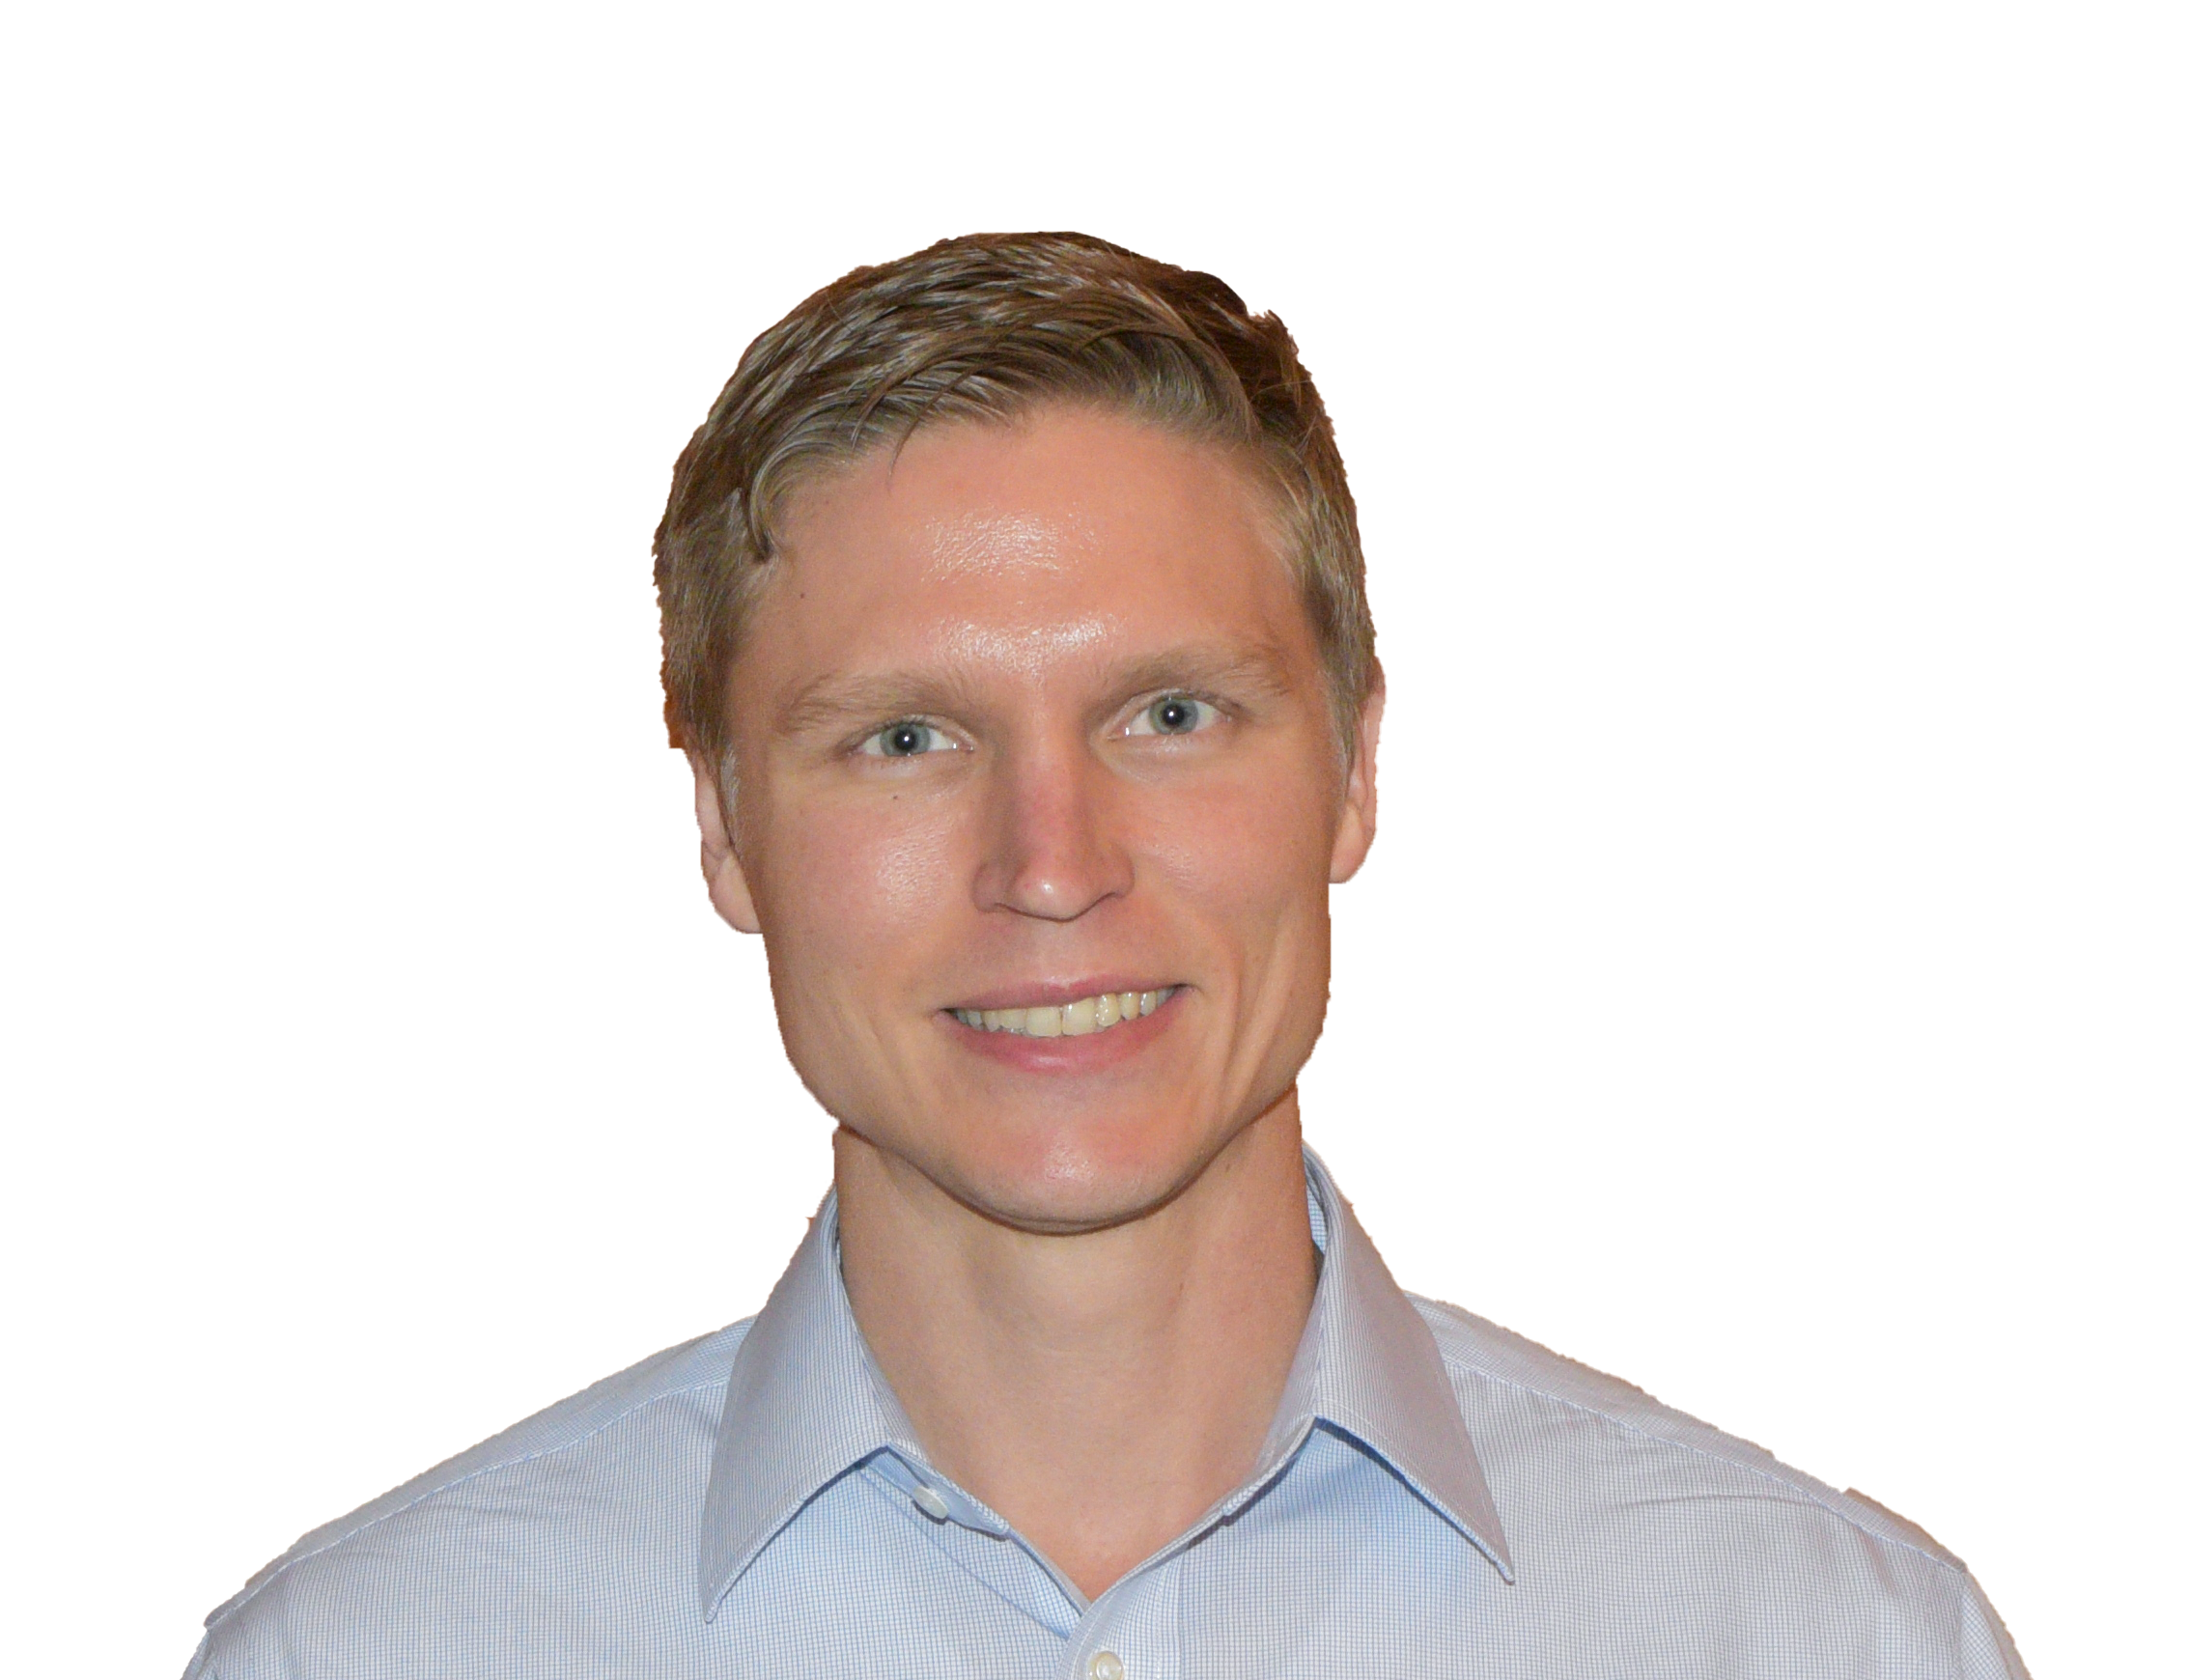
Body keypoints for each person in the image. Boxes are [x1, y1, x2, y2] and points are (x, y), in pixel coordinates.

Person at [185, 231, 2027, 1678]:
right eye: (905, 737)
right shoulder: (366, 1655)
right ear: (726, 833)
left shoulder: (1824, 1643)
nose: (1050, 867)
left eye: (1168, 714)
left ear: (1353, 774)